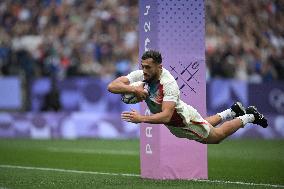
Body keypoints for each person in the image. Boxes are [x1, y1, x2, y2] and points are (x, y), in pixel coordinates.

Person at [107, 50, 268, 144]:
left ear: (159, 67)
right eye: (142, 66)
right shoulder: (142, 75)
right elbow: (112, 86)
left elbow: (166, 115)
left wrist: (141, 118)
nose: (144, 70)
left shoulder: (168, 84)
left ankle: (250, 116)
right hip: (179, 116)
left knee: (215, 137)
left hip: (181, 120)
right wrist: (134, 90)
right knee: (204, 124)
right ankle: (232, 111)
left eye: (148, 67)